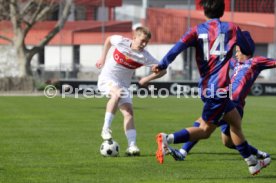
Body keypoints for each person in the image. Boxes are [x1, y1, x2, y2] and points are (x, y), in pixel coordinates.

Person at [152, 0, 271, 175]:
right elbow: (247, 48)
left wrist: (163, 64)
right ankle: (167, 138)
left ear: (203, 11)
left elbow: (178, 47)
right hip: (220, 88)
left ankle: (252, 163)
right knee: (204, 131)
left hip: (208, 87)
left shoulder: (196, 30)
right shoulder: (232, 28)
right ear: (223, 11)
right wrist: (241, 37)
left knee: (235, 122)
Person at [168, 31, 274, 161]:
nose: (236, 53)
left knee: (202, 124)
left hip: (233, 103)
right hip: (227, 101)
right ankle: (259, 154)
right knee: (228, 142)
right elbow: (221, 58)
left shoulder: (256, 61)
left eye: (238, 51)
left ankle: (181, 151)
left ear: (245, 50)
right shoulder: (236, 64)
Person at [96, 26, 166, 156]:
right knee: (117, 94)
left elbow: (163, 70)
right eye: (142, 41)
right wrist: (102, 58)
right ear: (134, 38)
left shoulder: (145, 56)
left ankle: (132, 146)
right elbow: (109, 40)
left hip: (123, 85)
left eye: (146, 42)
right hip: (107, 78)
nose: (144, 44)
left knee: (128, 113)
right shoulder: (121, 41)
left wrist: (147, 78)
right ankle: (105, 128)